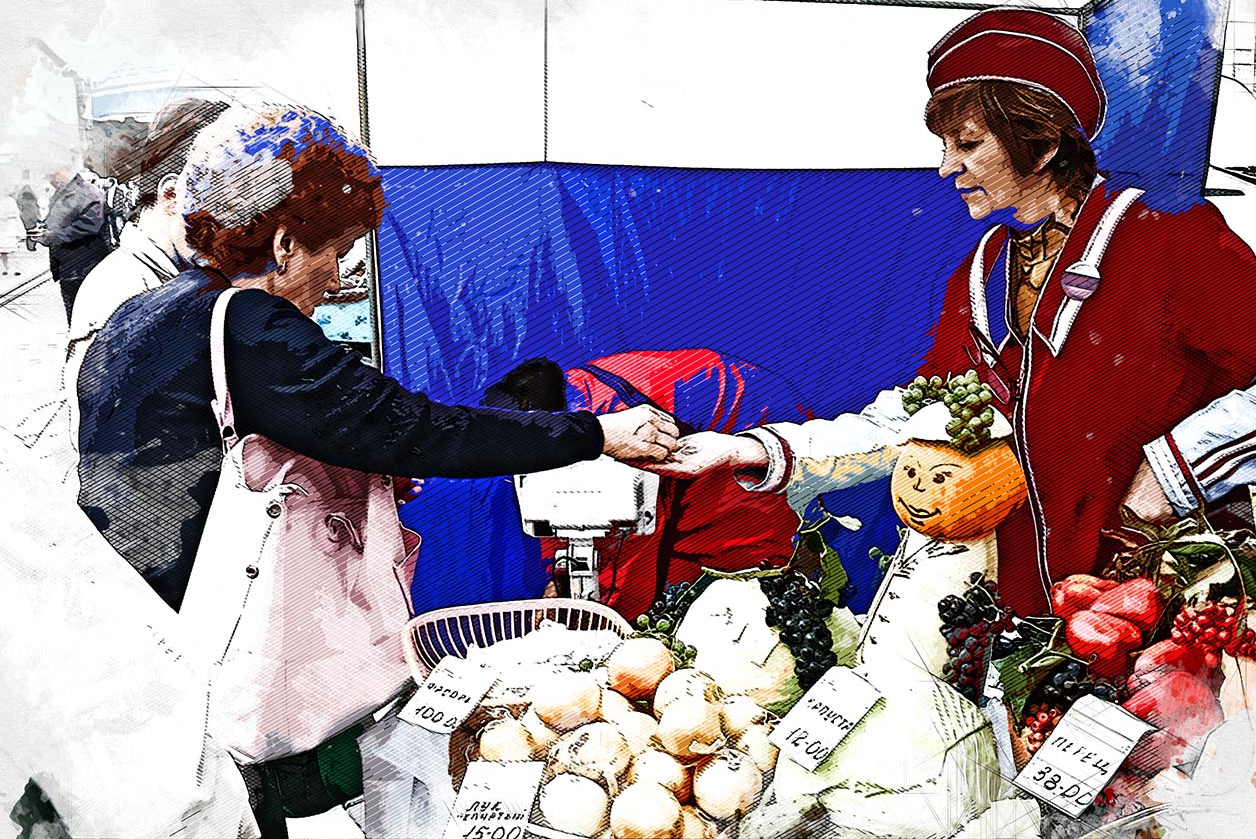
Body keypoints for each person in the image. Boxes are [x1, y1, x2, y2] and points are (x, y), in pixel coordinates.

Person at [74, 104, 678, 838]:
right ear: (285, 242)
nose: (337, 278)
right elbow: (418, 430)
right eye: (336, 250)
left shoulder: (143, 315)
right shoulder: (251, 326)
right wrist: (597, 433)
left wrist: (353, 473)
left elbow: (184, 461)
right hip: (223, 644)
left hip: (140, 629)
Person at [645, 8, 1256, 617]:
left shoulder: (1166, 237)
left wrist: (1171, 473)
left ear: (1041, 144)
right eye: (944, 147)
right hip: (1020, 608)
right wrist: (752, 450)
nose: (945, 169)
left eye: (967, 145)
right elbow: (919, 418)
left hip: (1152, 603)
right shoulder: (984, 266)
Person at [472, 350, 812, 621]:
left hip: (749, 429)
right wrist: (560, 575)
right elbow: (560, 508)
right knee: (662, 577)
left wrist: (594, 622)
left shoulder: (616, 432)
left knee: (738, 581)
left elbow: (625, 540)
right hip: (694, 414)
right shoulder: (544, 416)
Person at [64, 98, 231, 448]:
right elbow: (111, 457)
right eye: (226, 203)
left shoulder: (182, 274)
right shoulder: (121, 296)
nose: (240, 224)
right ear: (172, 196)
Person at [28, 169, 111, 322]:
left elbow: (89, 226)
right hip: (67, 266)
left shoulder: (89, 193)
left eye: (53, 174)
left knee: (91, 315)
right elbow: (55, 221)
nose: (51, 180)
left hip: (85, 263)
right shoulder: (61, 193)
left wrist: (53, 236)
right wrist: (42, 230)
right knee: (74, 315)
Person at [0, 192, 22, 275]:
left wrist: (19, 229)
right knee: (3, 250)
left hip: (10, 226)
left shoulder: (10, 201)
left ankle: (16, 268)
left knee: (13, 249)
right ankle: (6, 268)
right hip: (1, 227)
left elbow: (16, 214)